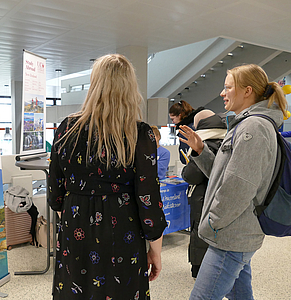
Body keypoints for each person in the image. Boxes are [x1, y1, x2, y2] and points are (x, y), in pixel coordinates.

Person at [48, 54, 167, 300]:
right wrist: (155, 250)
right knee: (120, 290)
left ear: (94, 85)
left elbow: (55, 192)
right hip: (122, 226)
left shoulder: (66, 128)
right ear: (130, 88)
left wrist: (75, 211)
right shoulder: (139, 133)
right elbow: (148, 198)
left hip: (75, 223)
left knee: (76, 289)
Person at [179, 64, 288, 299]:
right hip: (238, 233)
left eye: (228, 87)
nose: (222, 93)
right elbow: (224, 174)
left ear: (247, 91)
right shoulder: (247, 123)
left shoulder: (253, 127)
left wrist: (213, 222)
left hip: (230, 236)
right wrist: (200, 150)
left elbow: (239, 186)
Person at [181, 109, 226, 279]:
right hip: (220, 199)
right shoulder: (226, 140)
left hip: (202, 198)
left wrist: (185, 169)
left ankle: (200, 270)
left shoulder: (205, 144)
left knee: (200, 233)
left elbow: (192, 175)